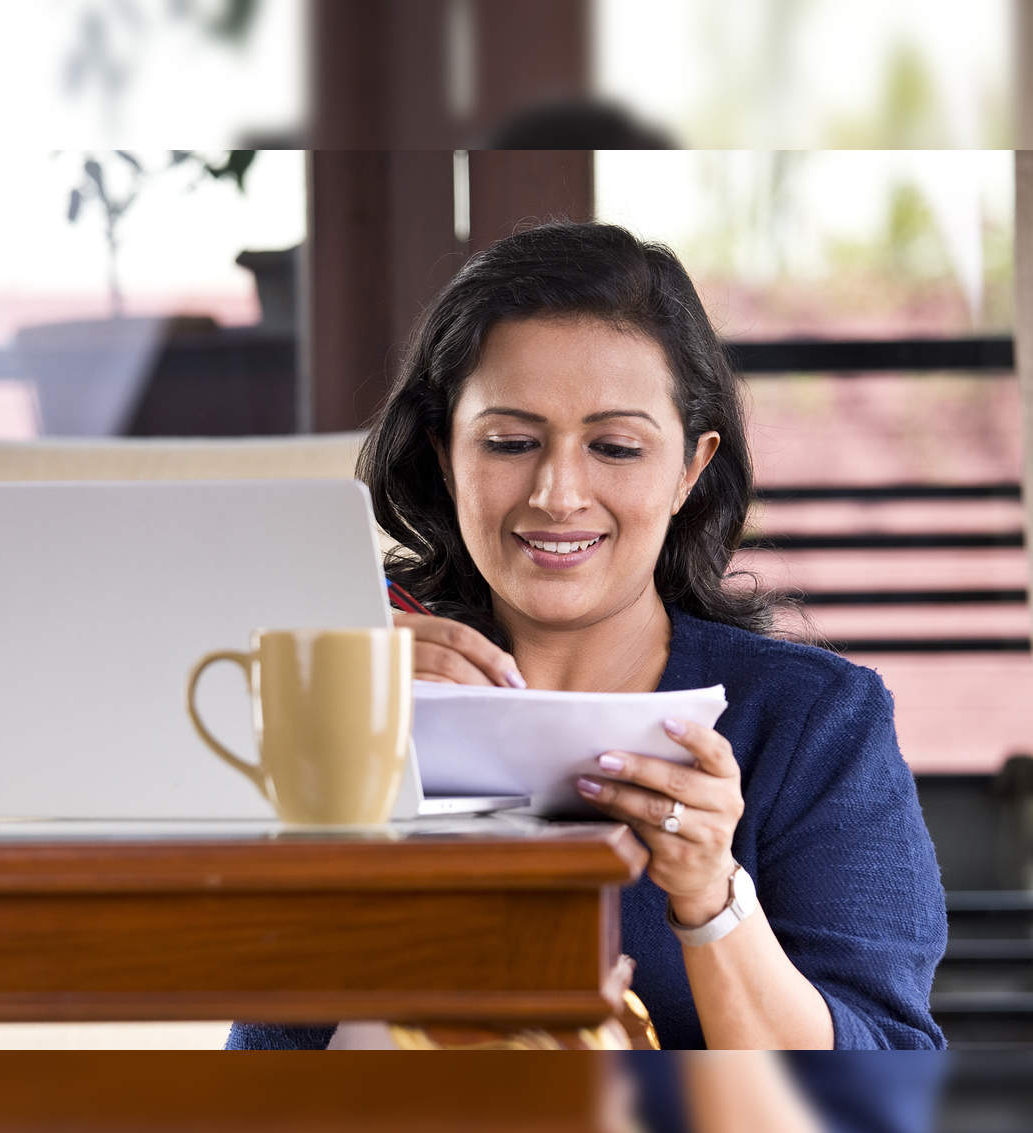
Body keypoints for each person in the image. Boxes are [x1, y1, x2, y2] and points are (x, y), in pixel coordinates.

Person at [228, 220, 947, 1051]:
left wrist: (711, 897)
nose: (558, 493)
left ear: (691, 467)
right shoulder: (358, 698)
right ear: (443, 454)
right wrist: (343, 793)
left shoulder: (812, 722)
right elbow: (273, 1087)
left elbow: (880, 1098)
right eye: (509, 443)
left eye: (614, 446)